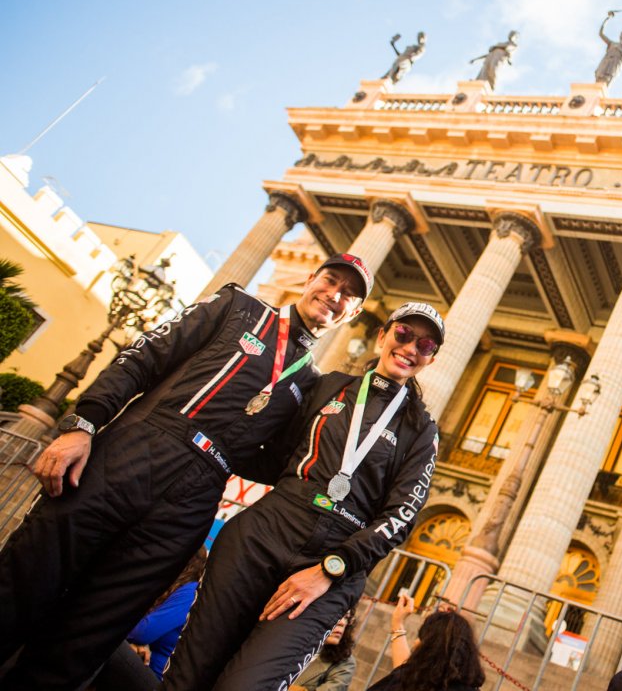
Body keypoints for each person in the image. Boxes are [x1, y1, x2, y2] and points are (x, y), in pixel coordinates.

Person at [0, 253, 372, 691]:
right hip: (134, 454)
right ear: (311, 279)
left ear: (355, 313)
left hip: (194, 501)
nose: (334, 295)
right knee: (24, 580)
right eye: (330, 281)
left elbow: (279, 460)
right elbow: (144, 358)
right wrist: (83, 424)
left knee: (91, 633)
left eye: (348, 295)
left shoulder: (309, 383)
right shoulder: (237, 307)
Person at [162, 302, 446, 691]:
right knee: (187, 677)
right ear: (383, 336)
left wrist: (332, 568)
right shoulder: (328, 385)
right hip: (264, 534)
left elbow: (401, 516)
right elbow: (270, 448)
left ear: (430, 359)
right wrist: (196, 450)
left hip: (332, 565)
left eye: (426, 345)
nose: (411, 347)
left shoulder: (422, 429)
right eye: (403, 334)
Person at [92, 548, 208, 690]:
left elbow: (141, 633)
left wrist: (134, 641)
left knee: (104, 639)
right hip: (147, 666)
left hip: (160, 683)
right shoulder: (175, 589)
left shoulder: (191, 591)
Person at [367, 597, 485, 691]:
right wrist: (397, 624)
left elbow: (405, 675)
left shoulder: (404, 682)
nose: (415, 643)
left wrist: (397, 622)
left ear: (429, 648)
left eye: (421, 638)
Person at [290, 609, 358, 691]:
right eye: (338, 615)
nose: (342, 622)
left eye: (346, 617)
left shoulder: (345, 662)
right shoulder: (291, 641)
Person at [594, 11, 622, 86]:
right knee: (599, 75)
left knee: (607, 78)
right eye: (621, 33)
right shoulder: (612, 43)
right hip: (606, 61)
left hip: (614, 64)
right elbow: (601, 34)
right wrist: (607, 19)